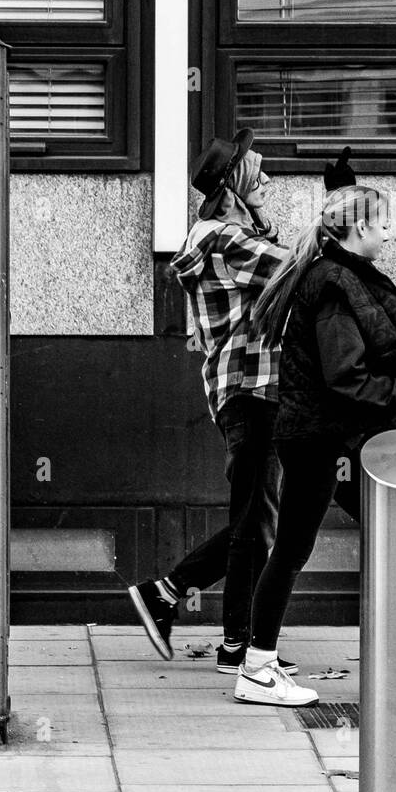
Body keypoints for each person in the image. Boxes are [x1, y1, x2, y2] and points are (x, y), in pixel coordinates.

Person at [230, 183, 396, 706]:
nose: (389, 235)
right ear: (358, 229)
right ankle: (257, 667)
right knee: (292, 549)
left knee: (378, 532)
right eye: (382, 225)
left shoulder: (332, 274)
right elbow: (344, 376)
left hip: (323, 434)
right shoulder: (334, 284)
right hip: (319, 436)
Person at [127, 130, 296, 675]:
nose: (267, 180)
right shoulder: (225, 240)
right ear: (232, 188)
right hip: (253, 390)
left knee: (259, 518)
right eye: (257, 174)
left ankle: (170, 594)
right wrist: (342, 213)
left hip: (246, 391)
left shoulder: (221, 237)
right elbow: (299, 269)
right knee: (256, 522)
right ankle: (237, 645)